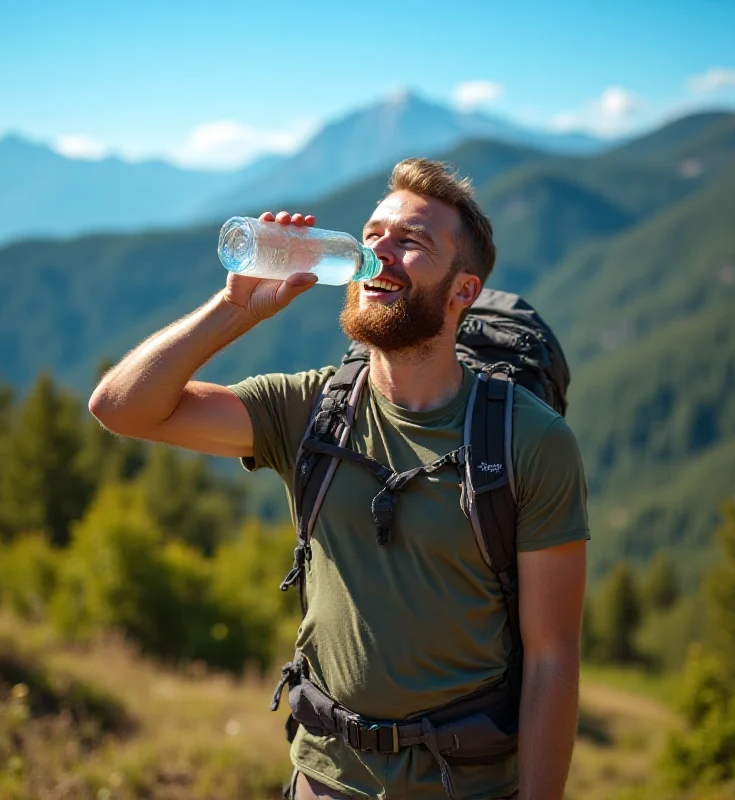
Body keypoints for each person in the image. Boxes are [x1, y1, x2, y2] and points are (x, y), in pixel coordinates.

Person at [89, 158, 590, 800]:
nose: (378, 251)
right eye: (373, 232)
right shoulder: (310, 409)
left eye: (411, 241)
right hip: (323, 778)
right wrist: (234, 308)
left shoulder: (531, 441)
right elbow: (121, 408)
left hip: (465, 786)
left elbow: (553, 658)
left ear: (463, 291)